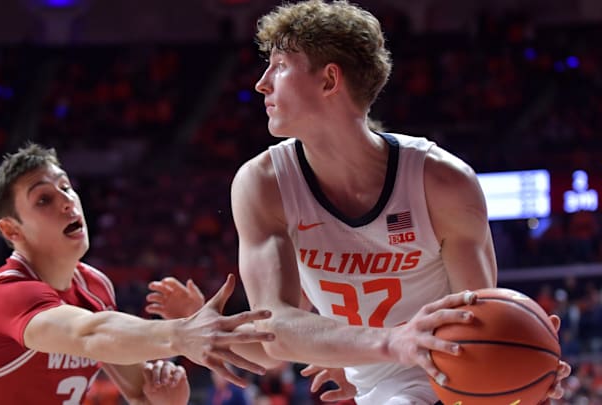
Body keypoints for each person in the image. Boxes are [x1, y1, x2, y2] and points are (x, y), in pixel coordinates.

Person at [150, 1, 571, 403]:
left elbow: (479, 325)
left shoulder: (442, 182)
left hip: (437, 375)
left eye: (279, 66)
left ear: (330, 80)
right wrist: (201, 328)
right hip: (378, 374)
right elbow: (272, 334)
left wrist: (524, 360)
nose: (261, 83)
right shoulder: (262, 184)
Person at [0, 143, 276, 405]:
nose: (67, 201)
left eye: (66, 186)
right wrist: (183, 333)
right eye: (44, 199)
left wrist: (164, 400)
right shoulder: (5, 295)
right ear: (11, 229)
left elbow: (138, 393)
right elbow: (88, 335)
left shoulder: (94, 285)